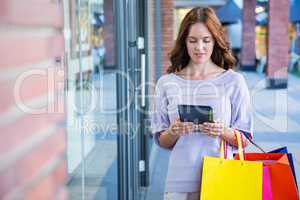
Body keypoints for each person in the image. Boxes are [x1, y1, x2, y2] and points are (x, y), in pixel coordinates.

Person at [151, 7, 252, 200]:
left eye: (206, 40)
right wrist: (174, 131)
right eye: (193, 40)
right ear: (184, 42)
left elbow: (244, 138)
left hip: (221, 177)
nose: (199, 47)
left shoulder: (233, 81)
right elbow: (161, 141)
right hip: (178, 182)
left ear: (216, 40)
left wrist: (222, 131)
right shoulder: (166, 83)